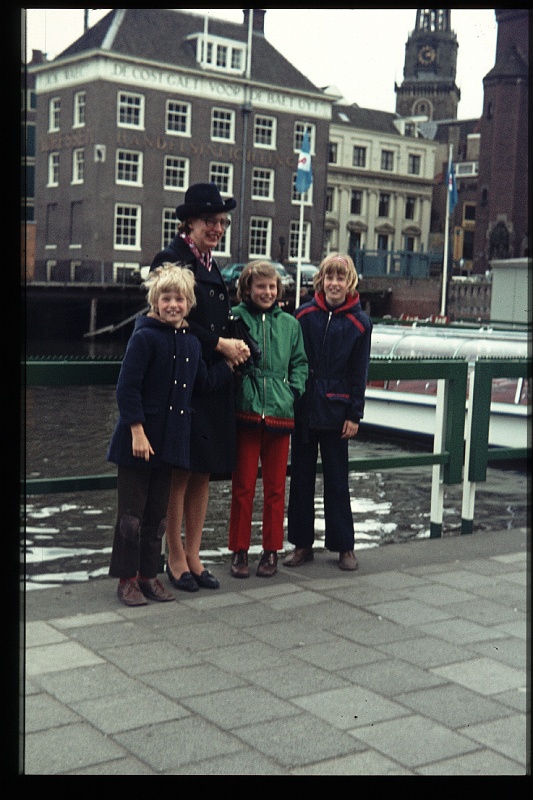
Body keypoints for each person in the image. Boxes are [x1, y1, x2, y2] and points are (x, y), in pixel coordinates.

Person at [107, 264, 233, 606]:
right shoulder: (144, 337)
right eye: (166, 298)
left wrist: (229, 366)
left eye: (179, 299)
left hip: (170, 443)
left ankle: (148, 576)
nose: (173, 305)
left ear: (189, 304)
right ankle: (127, 580)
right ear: (155, 301)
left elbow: (202, 382)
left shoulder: (191, 343)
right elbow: (127, 389)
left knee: (157, 517)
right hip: (138, 443)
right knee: (131, 518)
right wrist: (136, 430)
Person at [151, 183, 250, 592]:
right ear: (189, 222)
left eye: (222, 222)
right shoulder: (170, 259)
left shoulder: (210, 264)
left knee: (203, 469)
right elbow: (171, 317)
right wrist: (220, 344)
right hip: (184, 380)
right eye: (210, 221)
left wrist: (235, 344)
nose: (218, 228)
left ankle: (194, 554)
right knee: (180, 470)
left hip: (213, 379)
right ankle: (174, 556)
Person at [285, 253, 372, 572]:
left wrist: (354, 414)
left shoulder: (360, 322)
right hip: (305, 410)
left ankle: (344, 546)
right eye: (329, 278)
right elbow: (293, 361)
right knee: (301, 481)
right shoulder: (303, 315)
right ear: (321, 281)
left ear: (350, 283)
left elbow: (360, 371)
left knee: (337, 481)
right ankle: (301, 545)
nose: (334, 284)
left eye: (340, 278)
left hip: (337, 412)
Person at [228, 261, 308, 578]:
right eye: (260, 286)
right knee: (243, 487)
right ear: (247, 289)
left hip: (279, 413)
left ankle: (271, 551)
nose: (267, 292)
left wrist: (292, 391)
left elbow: (300, 363)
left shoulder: (290, 324)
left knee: (275, 489)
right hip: (245, 412)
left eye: (272, 286)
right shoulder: (235, 317)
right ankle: (239, 551)